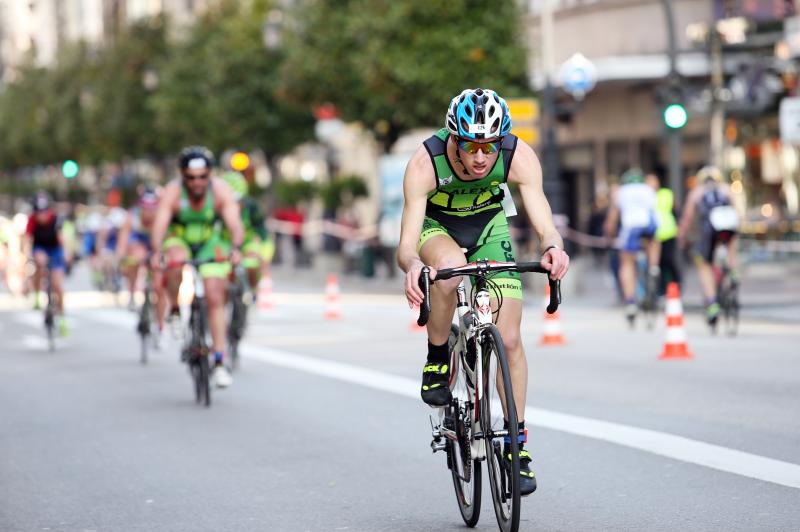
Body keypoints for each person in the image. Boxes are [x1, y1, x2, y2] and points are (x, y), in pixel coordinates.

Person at [397, 88, 569, 496]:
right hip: (437, 227)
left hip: (489, 226)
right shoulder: (425, 162)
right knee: (450, 271)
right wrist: (414, 266)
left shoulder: (519, 156)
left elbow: (543, 218)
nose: (479, 158)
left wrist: (552, 246)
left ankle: (515, 448)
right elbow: (406, 243)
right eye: (470, 147)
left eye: (488, 148)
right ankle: (439, 356)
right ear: (453, 138)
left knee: (509, 339)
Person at [150, 146, 245, 388]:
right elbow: (160, 225)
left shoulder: (221, 191)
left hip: (208, 242)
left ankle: (220, 361)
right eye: (191, 178)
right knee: (175, 259)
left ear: (210, 174)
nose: (197, 183)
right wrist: (157, 252)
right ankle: (173, 309)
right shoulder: (173, 192)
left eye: (203, 176)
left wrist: (235, 248)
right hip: (179, 239)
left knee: (215, 294)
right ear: (182, 175)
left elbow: (234, 224)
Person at [678, 165, 739, 326]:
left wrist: (682, 236)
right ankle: (733, 271)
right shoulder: (726, 189)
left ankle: (712, 303)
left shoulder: (697, 192)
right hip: (728, 226)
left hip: (709, 230)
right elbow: (737, 213)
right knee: (732, 240)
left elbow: (687, 218)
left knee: (705, 266)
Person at [603, 168, 660, 324]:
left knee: (626, 263)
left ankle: (630, 302)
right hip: (648, 225)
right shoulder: (649, 189)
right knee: (655, 240)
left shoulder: (620, 192)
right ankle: (654, 267)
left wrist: (609, 237)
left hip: (631, 227)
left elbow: (612, 221)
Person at [23, 193, 69, 335]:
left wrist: (67, 254)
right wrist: (26, 255)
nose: (41, 216)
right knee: (40, 262)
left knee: (58, 286)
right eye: (38, 213)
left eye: (43, 212)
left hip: (55, 249)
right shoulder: (31, 221)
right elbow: (27, 239)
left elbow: (62, 239)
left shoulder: (56, 220)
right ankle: (37, 294)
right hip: (40, 248)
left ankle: (62, 319)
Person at [220, 171, 274, 290]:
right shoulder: (216, 209)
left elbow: (262, 234)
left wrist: (263, 257)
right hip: (225, 242)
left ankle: (252, 289)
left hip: (247, 242)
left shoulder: (252, 208)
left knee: (252, 262)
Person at [116, 189, 159, 309]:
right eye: (146, 208)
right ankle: (132, 292)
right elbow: (123, 236)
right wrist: (121, 253)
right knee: (135, 258)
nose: (149, 212)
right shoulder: (132, 215)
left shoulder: (159, 215)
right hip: (138, 240)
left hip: (153, 240)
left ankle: (155, 290)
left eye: (152, 208)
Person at [646, 173, 681, 295]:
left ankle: (676, 285)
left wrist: (679, 228)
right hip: (653, 235)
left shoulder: (666, 194)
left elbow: (675, 211)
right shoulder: (645, 196)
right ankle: (660, 290)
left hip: (668, 233)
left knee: (669, 261)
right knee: (656, 264)